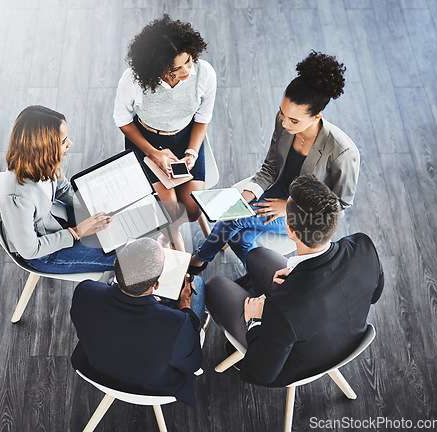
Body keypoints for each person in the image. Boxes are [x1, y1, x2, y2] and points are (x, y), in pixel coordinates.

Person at [205, 175, 384, 387]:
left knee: (215, 286)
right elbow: (375, 295)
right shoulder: (363, 246)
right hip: (347, 333)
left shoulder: (284, 309)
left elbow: (261, 374)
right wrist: (298, 274)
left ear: (290, 230)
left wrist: (254, 321)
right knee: (257, 255)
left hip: (296, 361)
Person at [189, 50, 359, 271]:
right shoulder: (284, 123)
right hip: (277, 192)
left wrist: (289, 207)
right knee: (241, 237)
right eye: (282, 113)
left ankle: (199, 261)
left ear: (317, 116)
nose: (285, 124)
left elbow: (340, 206)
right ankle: (261, 276)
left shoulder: (342, 151)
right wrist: (248, 193)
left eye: (294, 120)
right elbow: (270, 167)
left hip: (306, 214)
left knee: (234, 219)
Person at [113, 14, 217, 250]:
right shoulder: (132, 81)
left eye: (189, 61)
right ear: (156, 67)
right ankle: (172, 236)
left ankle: (171, 232)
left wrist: (192, 151)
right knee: (170, 207)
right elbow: (122, 120)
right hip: (146, 141)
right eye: (175, 69)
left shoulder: (205, 74)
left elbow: (202, 118)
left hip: (185, 138)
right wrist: (152, 153)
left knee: (192, 209)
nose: (186, 72)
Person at [70, 238, 205, 405]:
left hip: (94, 369)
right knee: (197, 282)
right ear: (156, 284)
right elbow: (193, 364)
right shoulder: (177, 323)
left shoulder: (86, 291)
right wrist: (185, 306)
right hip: (151, 388)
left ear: (115, 263)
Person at [0, 105, 115, 273]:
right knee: (121, 256)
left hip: (58, 222)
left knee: (117, 231)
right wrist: (78, 231)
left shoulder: (45, 163)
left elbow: (63, 189)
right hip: (44, 253)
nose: (70, 144)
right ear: (42, 147)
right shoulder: (16, 197)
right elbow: (30, 250)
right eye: (63, 141)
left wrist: (91, 207)